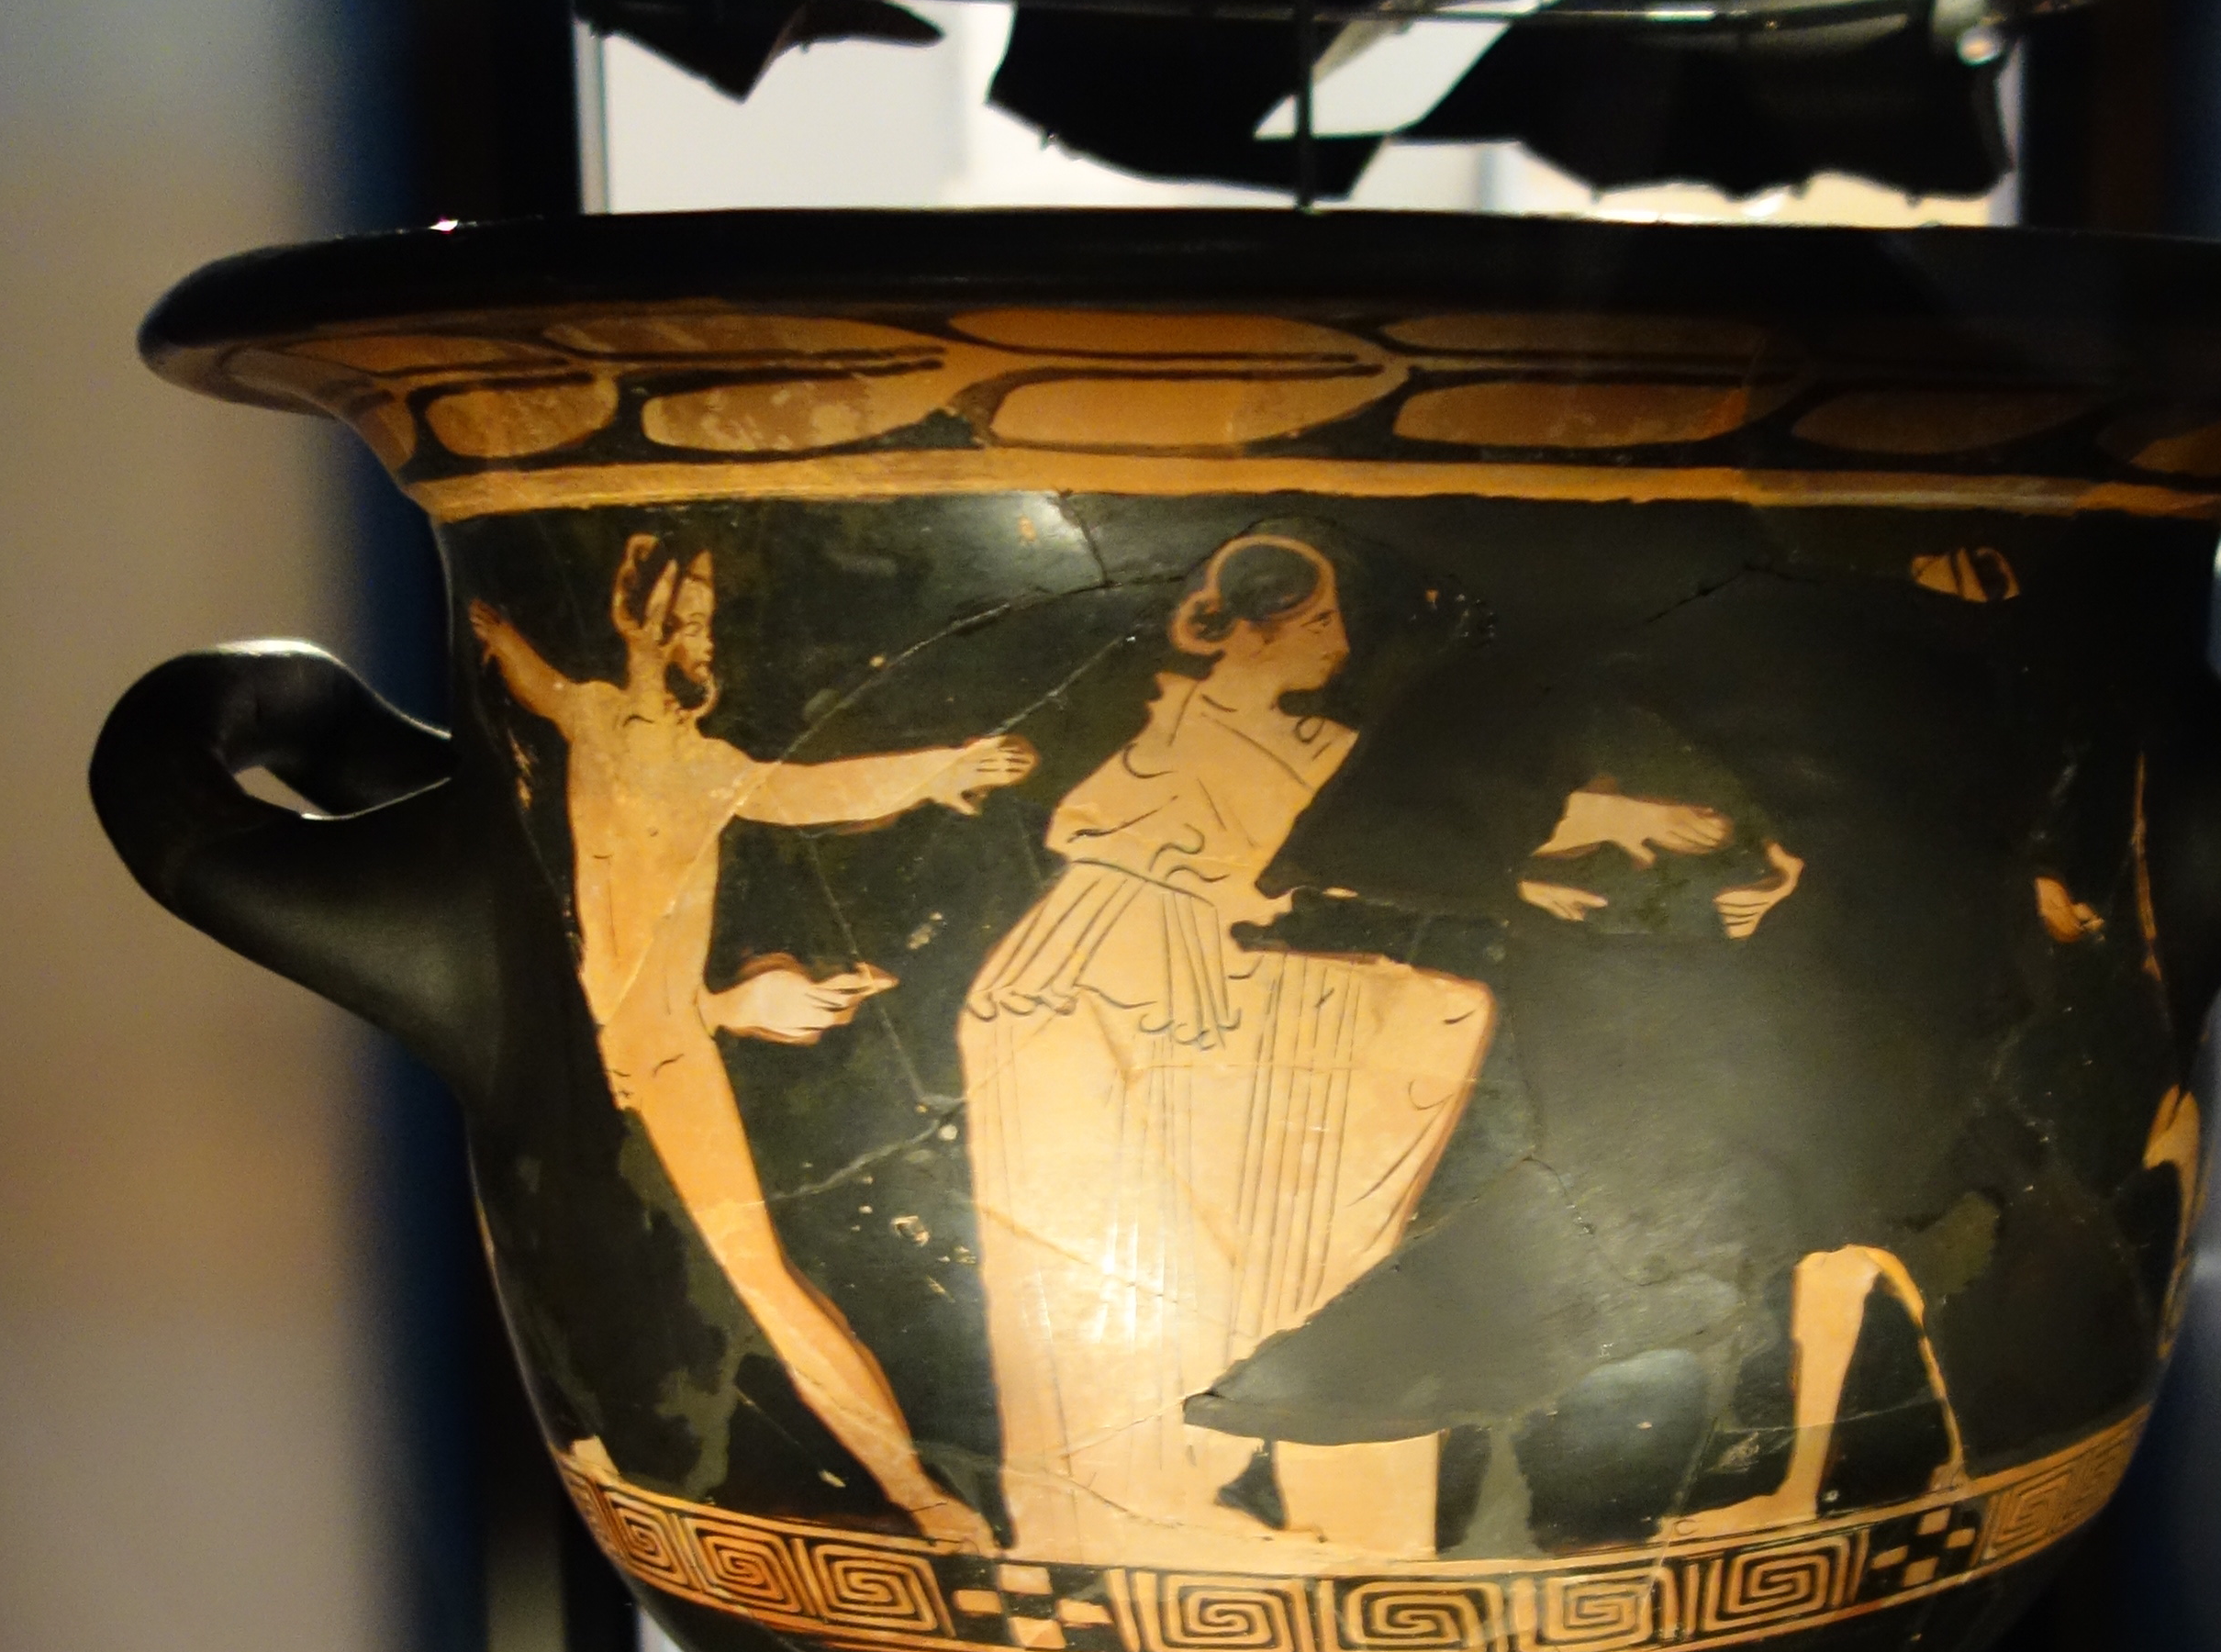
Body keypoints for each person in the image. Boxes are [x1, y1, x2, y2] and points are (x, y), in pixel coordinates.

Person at [473, 534, 1031, 1547]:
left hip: (668, 1044)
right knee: (574, 1244)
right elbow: (525, 674)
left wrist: (937, 770)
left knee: (759, 1273)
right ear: (636, 621)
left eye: (707, 627)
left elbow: (815, 792)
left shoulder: (709, 767)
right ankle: (597, 1445)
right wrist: (494, 630)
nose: (703, 647)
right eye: (686, 622)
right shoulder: (593, 716)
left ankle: (916, 1493)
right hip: (579, 1036)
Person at [957, 533, 1493, 1562]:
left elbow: (1422, 828)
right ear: (1252, 631)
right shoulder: (1177, 736)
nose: (1338, 645)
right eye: (1319, 623)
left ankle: (1223, 1481)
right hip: (1100, 994)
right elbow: (1193, 858)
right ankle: (1138, 1499)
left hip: (1199, 994)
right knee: (1141, 1243)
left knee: (1433, 1020)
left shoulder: (1312, 745)